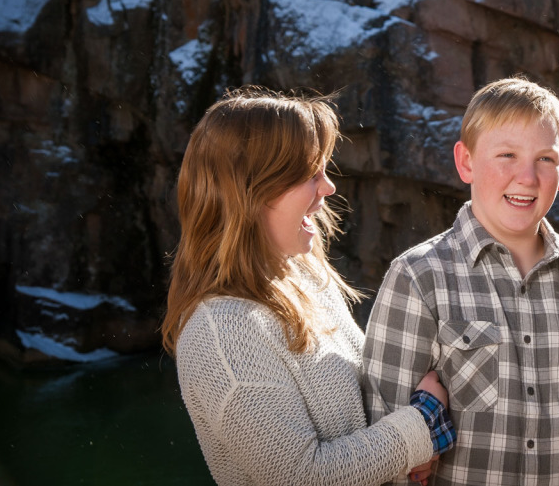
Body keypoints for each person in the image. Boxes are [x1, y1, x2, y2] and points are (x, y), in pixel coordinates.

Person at [161, 86, 455, 486]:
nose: (328, 187)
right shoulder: (223, 333)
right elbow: (302, 476)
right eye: (309, 174)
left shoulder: (305, 278)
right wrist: (423, 423)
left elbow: (359, 415)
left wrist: (406, 455)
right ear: (251, 190)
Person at [362, 77, 559, 486]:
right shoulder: (419, 277)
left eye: (546, 159)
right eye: (506, 155)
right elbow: (381, 452)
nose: (527, 177)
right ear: (465, 162)